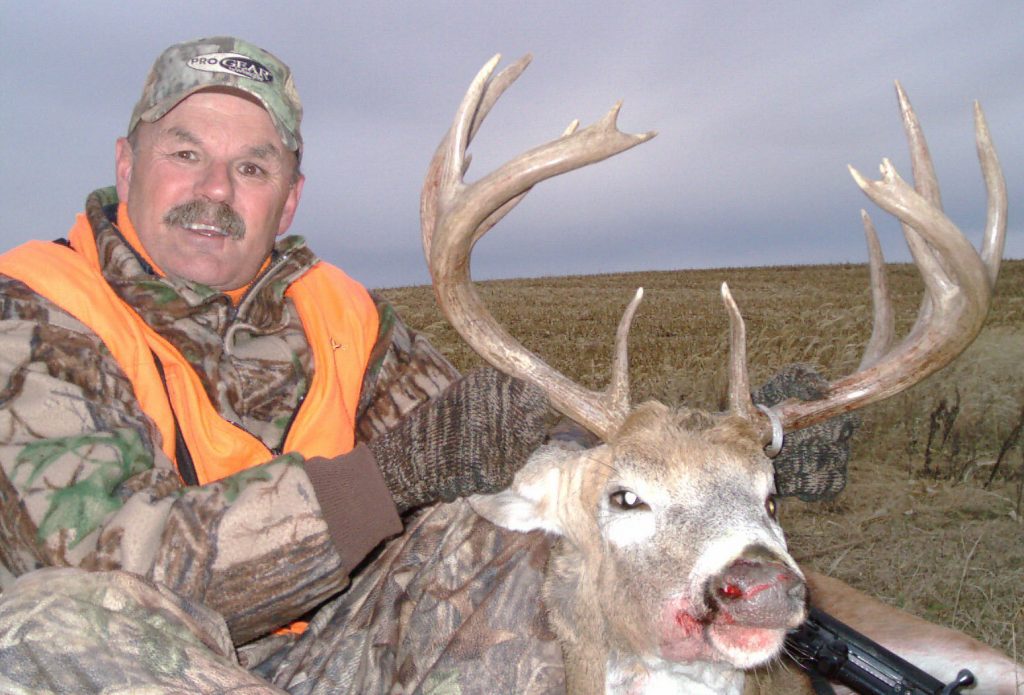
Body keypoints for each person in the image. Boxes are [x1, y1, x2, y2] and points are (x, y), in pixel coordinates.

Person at [0, 37, 854, 693]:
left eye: (252, 166)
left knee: (521, 548)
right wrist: (385, 478)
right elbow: (116, 565)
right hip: (137, 662)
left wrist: (728, 459)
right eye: (186, 152)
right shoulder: (35, 310)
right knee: (63, 615)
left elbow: (503, 444)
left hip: (326, 656)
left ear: (289, 196)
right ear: (126, 162)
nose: (216, 190)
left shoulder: (338, 312)